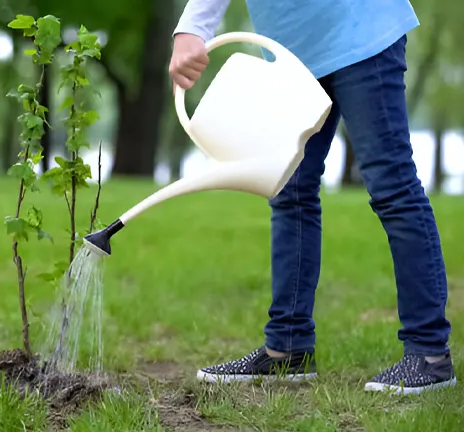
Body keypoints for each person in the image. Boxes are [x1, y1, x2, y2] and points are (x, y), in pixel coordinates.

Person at [168, 0, 457, 394]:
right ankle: (288, 348)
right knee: (290, 191)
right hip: (292, 52)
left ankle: (429, 355)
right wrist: (192, 27)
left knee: (392, 187)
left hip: (361, 28)